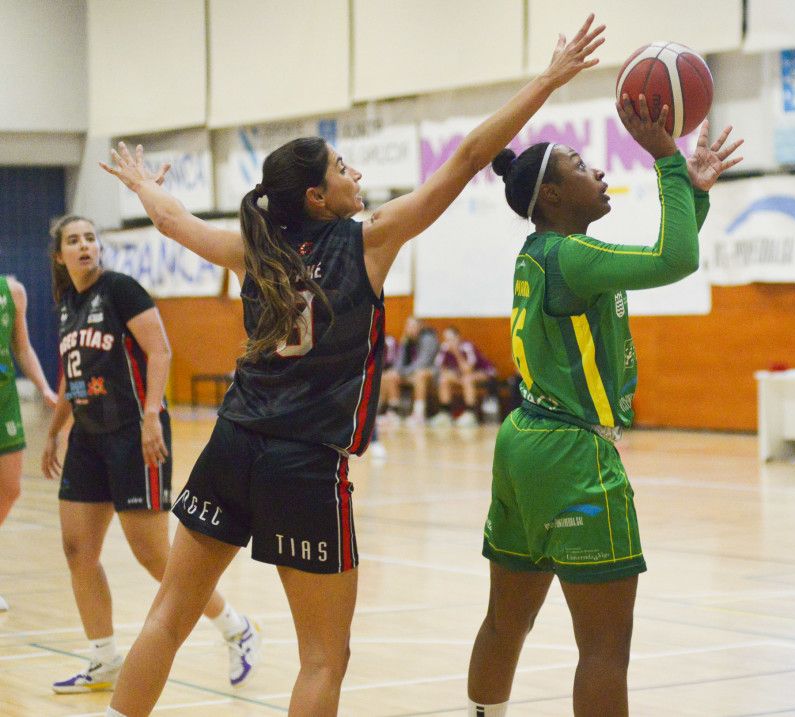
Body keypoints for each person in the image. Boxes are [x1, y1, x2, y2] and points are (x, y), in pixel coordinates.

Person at [98, 16, 605, 717]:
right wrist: (548, 79)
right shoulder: (367, 242)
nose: (355, 174)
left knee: (167, 617)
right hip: (305, 464)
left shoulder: (255, 247)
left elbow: (170, 221)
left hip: (232, 443)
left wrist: (141, 186)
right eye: (342, 169)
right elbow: (464, 158)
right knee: (323, 658)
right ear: (317, 198)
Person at [465, 94, 742, 716]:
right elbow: (675, 260)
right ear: (553, 197)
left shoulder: (549, 253)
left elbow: (662, 255)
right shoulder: (573, 257)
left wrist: (690, 192)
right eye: (580, 165)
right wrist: (668, 161)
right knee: (605, 646)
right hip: (573, 455)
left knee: (506, 621)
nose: (598, 171)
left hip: (523, 442)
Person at [40, 215, 260, 694]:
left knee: (156, 557)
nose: (84, 245)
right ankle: (103, 658)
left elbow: (159, 351)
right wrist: (56, 429)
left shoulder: (121, 289)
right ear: (59, 255)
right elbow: (70, 371)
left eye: (90, 237)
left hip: (132, 433)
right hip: (87, 436)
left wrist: (150, 417)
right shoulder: (66, 305)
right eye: (73, 240)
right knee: (78, 550)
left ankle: (236, 629)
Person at [0, 272, 58, 611]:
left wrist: (43, 386)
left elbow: (22, 347)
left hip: (5, 399)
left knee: (10, 488)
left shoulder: (13, 291)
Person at [429, 326, 495, 428]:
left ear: (458, 337)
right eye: (446, 339)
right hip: (461, 376)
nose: (449, 342)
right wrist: (449, 373)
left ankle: (470, 414)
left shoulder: (467, 347)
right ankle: (445, 413)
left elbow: (468, 370)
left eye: (451, 339)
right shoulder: (445, 348)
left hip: (483, 373)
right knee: (444, 379)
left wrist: (456, 352)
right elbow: (439, 368)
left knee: (467, 379)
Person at [378, 316, 438, 427]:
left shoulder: (428, 338)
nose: (408, 328)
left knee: (420, 374)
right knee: (389, 375)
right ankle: (393, 412)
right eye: (407, 326)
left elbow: (423, 362)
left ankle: (419, 415)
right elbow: (399, 361)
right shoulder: (406, 340)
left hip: (431, 374)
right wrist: (396, 372)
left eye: (411, 326)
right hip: (410, 373)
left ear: (420, 327)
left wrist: (403, 372)